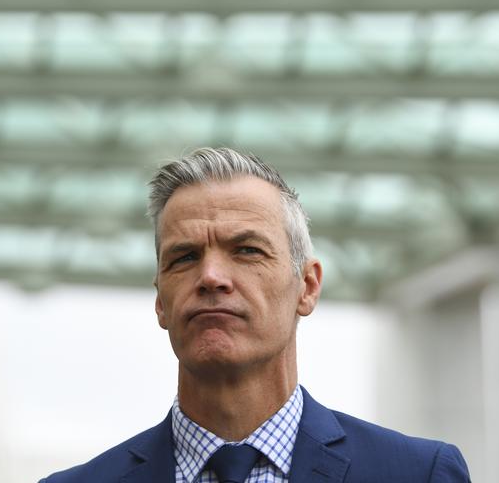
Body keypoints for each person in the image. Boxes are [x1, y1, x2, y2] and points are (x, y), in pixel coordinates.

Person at [39, 147, 471, 482]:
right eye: (185, 257)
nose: (211, 276)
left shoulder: (418, 474)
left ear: (307, 286)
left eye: (246, 250)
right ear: (160, 301)